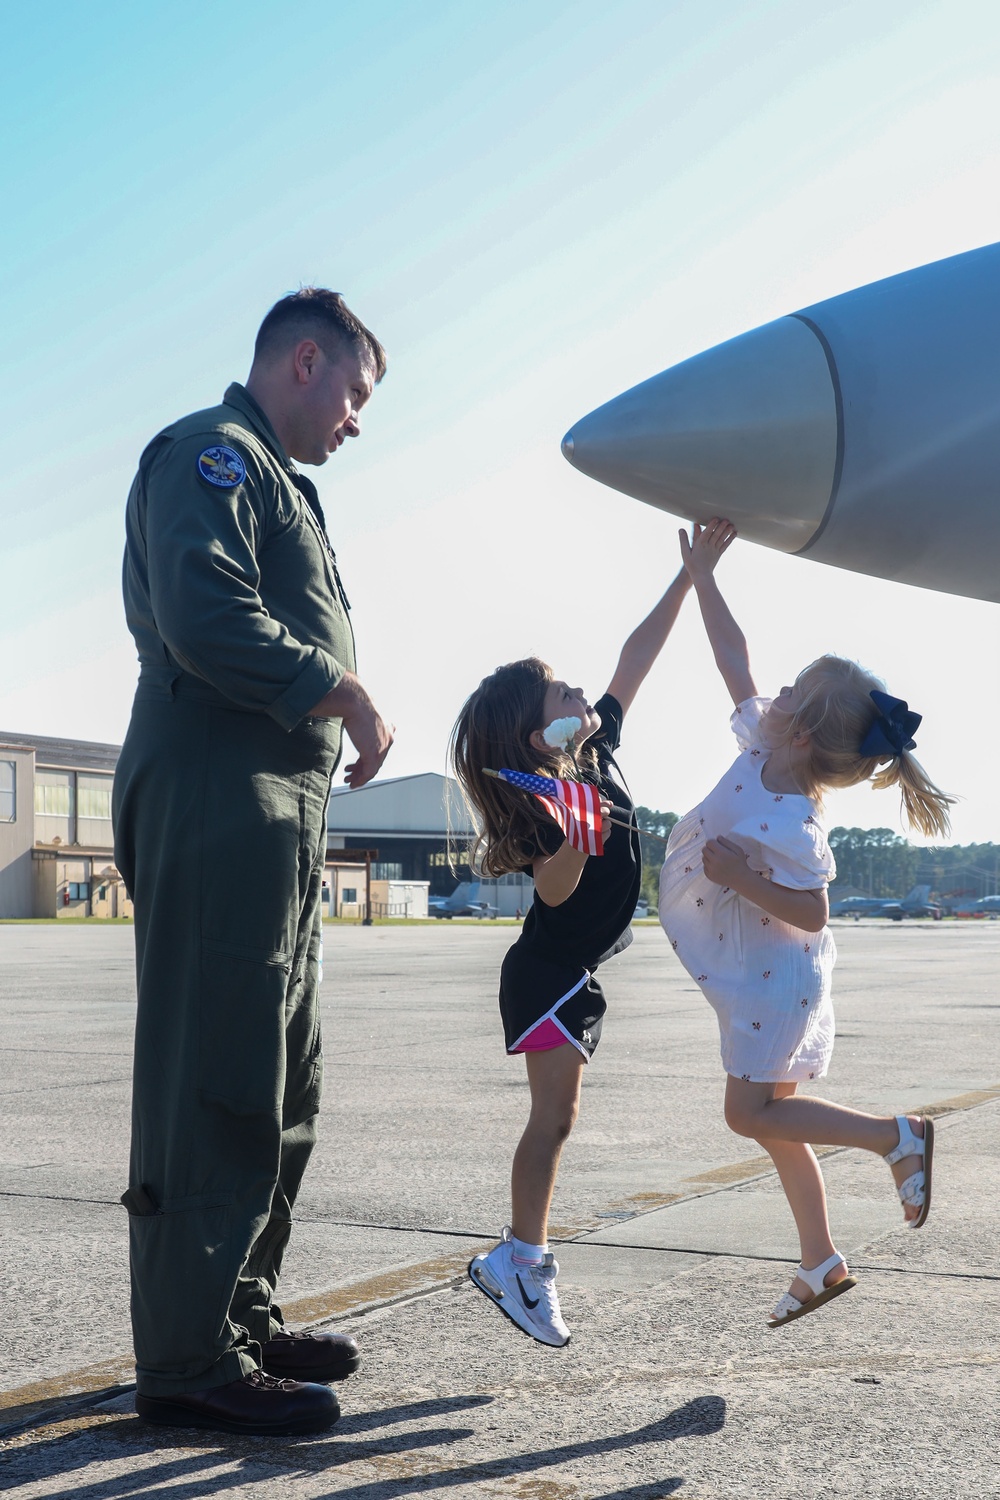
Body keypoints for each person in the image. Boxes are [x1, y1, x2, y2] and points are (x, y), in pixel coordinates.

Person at [113, 289, 394, 1435]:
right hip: (219, 786)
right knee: (214, 1079)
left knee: (282, 1080)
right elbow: (202, 613)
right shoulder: (215, 455)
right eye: (356, 395)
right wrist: (345, 692)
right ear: (305, 359)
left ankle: (235, 1312)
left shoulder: (280, 483)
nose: (356, 421)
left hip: (275, 805)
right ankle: (186, 1360)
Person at [659, 519, 954, 1327]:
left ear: (801, 730)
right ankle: (820, 1261)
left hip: (777, 976)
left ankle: (896, 1136)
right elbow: (733, 657)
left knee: (747, 1113)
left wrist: (741, 875)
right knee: (776, 1121)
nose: (773, 691)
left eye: (789, 690)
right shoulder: (764, 739)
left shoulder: (794, 819)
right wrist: (703, 576)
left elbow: (815, 910)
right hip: (760, 971)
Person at [451, 566, 692, 1345]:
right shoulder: (539, 807)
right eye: (560, 694)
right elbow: (554, 896)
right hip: (545, 976)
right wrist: (577, 840)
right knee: (553, 1119)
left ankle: (520, 1258)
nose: (578, 693)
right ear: (537, 734)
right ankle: (521, 1262)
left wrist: (689, 579)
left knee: (560, 1118)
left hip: (571, 973)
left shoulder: (590, 757)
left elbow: (636, 658)